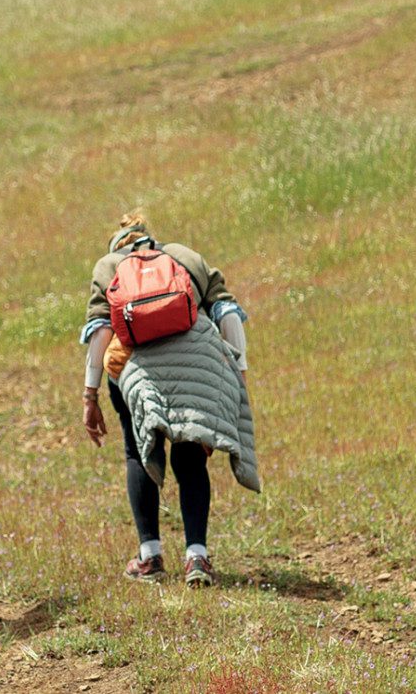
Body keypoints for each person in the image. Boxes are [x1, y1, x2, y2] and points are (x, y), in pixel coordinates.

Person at [78, 213, 257, 587]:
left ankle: (150, 557)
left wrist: (89, 393)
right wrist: (239, 377)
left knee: (137, 450)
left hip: (135, 369)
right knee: (191, 456)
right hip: (197, 363)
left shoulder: (109, 266)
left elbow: (101, 331)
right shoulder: (184, 256)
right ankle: (197, 558)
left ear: (118, 244)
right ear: (149, 240)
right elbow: (228, 313)